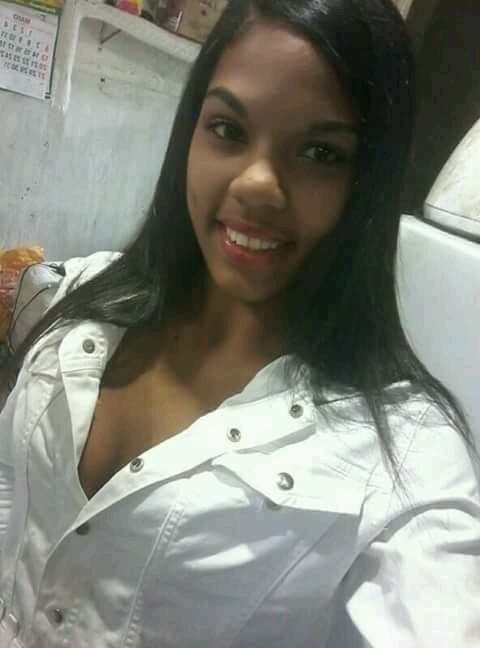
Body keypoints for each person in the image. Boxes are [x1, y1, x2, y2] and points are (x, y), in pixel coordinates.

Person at [1, 0, 479, 646]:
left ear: (368, 182)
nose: (256, 184)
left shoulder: (409, 463)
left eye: (320, 152)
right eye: (227, 129)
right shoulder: (88, 294)